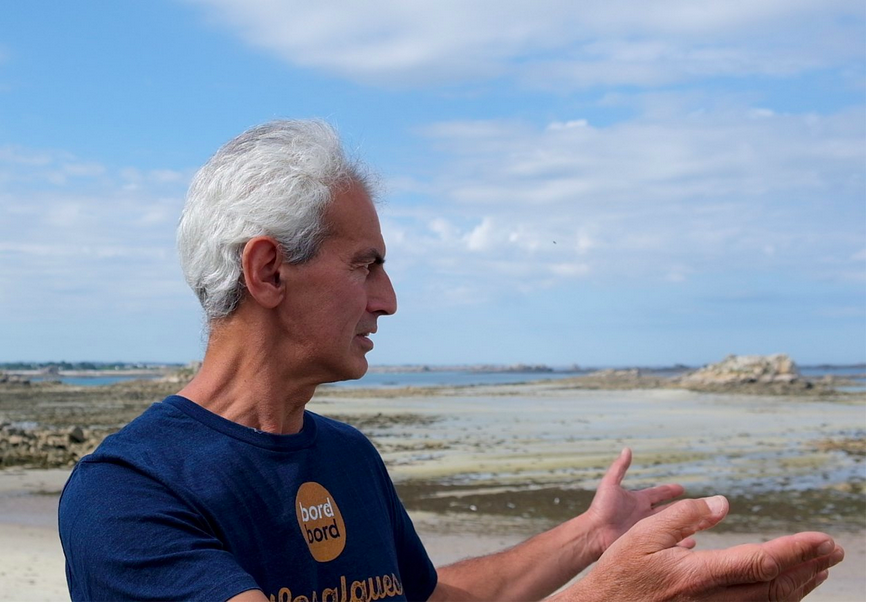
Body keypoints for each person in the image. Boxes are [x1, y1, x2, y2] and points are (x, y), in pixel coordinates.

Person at [59, 120, 844, 601]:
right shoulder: (128, 494)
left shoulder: (345, 456)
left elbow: (427, 599)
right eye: (365, 265)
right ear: (267, 271)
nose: (389, 300)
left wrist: (591, 538)